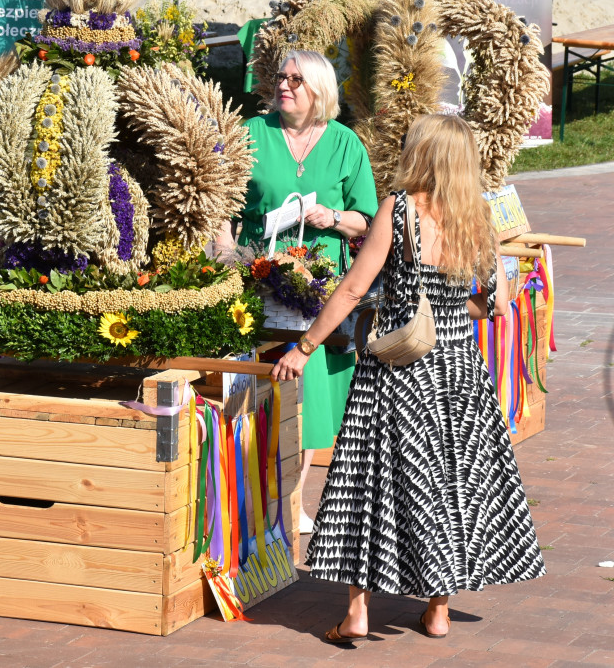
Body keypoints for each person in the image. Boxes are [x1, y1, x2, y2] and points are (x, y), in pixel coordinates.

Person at [272, 114, 545, 642]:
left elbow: (353, 288)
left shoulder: (397, 212)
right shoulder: (478, 217)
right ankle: (438, 612)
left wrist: (305, 347)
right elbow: (494, 304)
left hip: (395, 369)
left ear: (421, 154)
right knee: (451, 487)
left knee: (367, 483)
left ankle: (356, 613)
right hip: (458, 371)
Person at [217, 49, 377, 535]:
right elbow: (222, 200)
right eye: (281, 78)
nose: (283, 86)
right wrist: (225, 253)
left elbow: (367, 218)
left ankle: (294, 497)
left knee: (314, 394)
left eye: (295, 80)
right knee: (258, 382)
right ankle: (249, 492)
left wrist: (333, 218)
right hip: (257, 278)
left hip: (320, 288)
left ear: (319, 91)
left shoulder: (346, 144)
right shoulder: (251, 134)